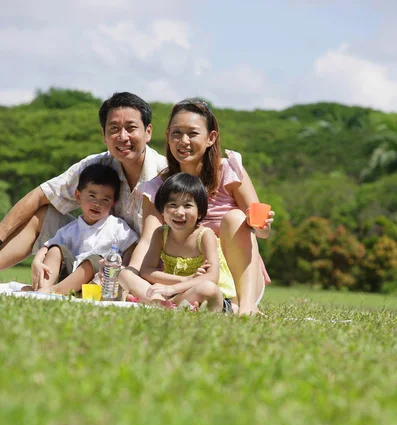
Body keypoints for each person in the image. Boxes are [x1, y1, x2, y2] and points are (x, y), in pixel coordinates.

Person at [120, 98, 274, 315]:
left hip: (235, 280)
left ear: (211, 138)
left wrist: (263, 226)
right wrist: (133, 275)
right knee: (126, 274)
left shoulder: (229, 171)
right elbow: (148, 238)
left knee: (235, 218)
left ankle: (245, 307)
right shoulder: (158, 187)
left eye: (192, 133)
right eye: (176, 133)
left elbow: (260, 228)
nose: (183, 141)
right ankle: (172, 303)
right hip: (181, 278)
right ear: (167, 136)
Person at [0, 92, 167, 271]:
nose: (123, 137)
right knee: (42, 215)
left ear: (148, 132)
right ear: (104, 135)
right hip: (93, 255)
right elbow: (41, 195)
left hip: (147, 263)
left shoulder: (165, 173)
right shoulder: (97, 165)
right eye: (114, 128)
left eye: (131, 128)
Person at [23, 164, 137, 295]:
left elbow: (132, 247)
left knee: (95, 260)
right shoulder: (70, 229)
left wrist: (123, 268)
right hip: (68, 277)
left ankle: (53, 291)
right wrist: (37, 261)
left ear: (113, 203)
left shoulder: (117, 226)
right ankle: (44, 288)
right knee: (55, 249)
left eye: (105, 199)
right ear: (78, 196)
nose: (97, 204)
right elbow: (47, 247)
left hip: (98, 282)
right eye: (92, 196)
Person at [140, 172, 236, 312]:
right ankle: (171, 305)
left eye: (187, 205)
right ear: (162, 210)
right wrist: (185, 280)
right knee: (125, 274)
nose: (179, 212)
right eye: (172, 204)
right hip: (176, 294)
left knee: (207, 288)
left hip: (209, 296)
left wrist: (172, 287)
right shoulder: (161, 234)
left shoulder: (205, 235)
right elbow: (146, 271)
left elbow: (212, 277)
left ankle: (164, 305)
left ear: (200, 212)